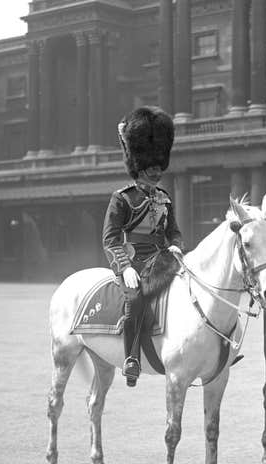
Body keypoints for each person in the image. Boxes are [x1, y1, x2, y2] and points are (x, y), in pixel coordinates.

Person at [102, 106, 184, 386]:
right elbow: (110, 239)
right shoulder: (122, 199)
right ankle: (131, 358)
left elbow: (174, 232)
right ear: (139, 166)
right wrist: (124, 268)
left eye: (158, 169)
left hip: (163, 260)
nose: (156, 173)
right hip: (134, 263)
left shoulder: (165, 197)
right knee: (135, 301)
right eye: (151, 168)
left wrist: (176, 247)